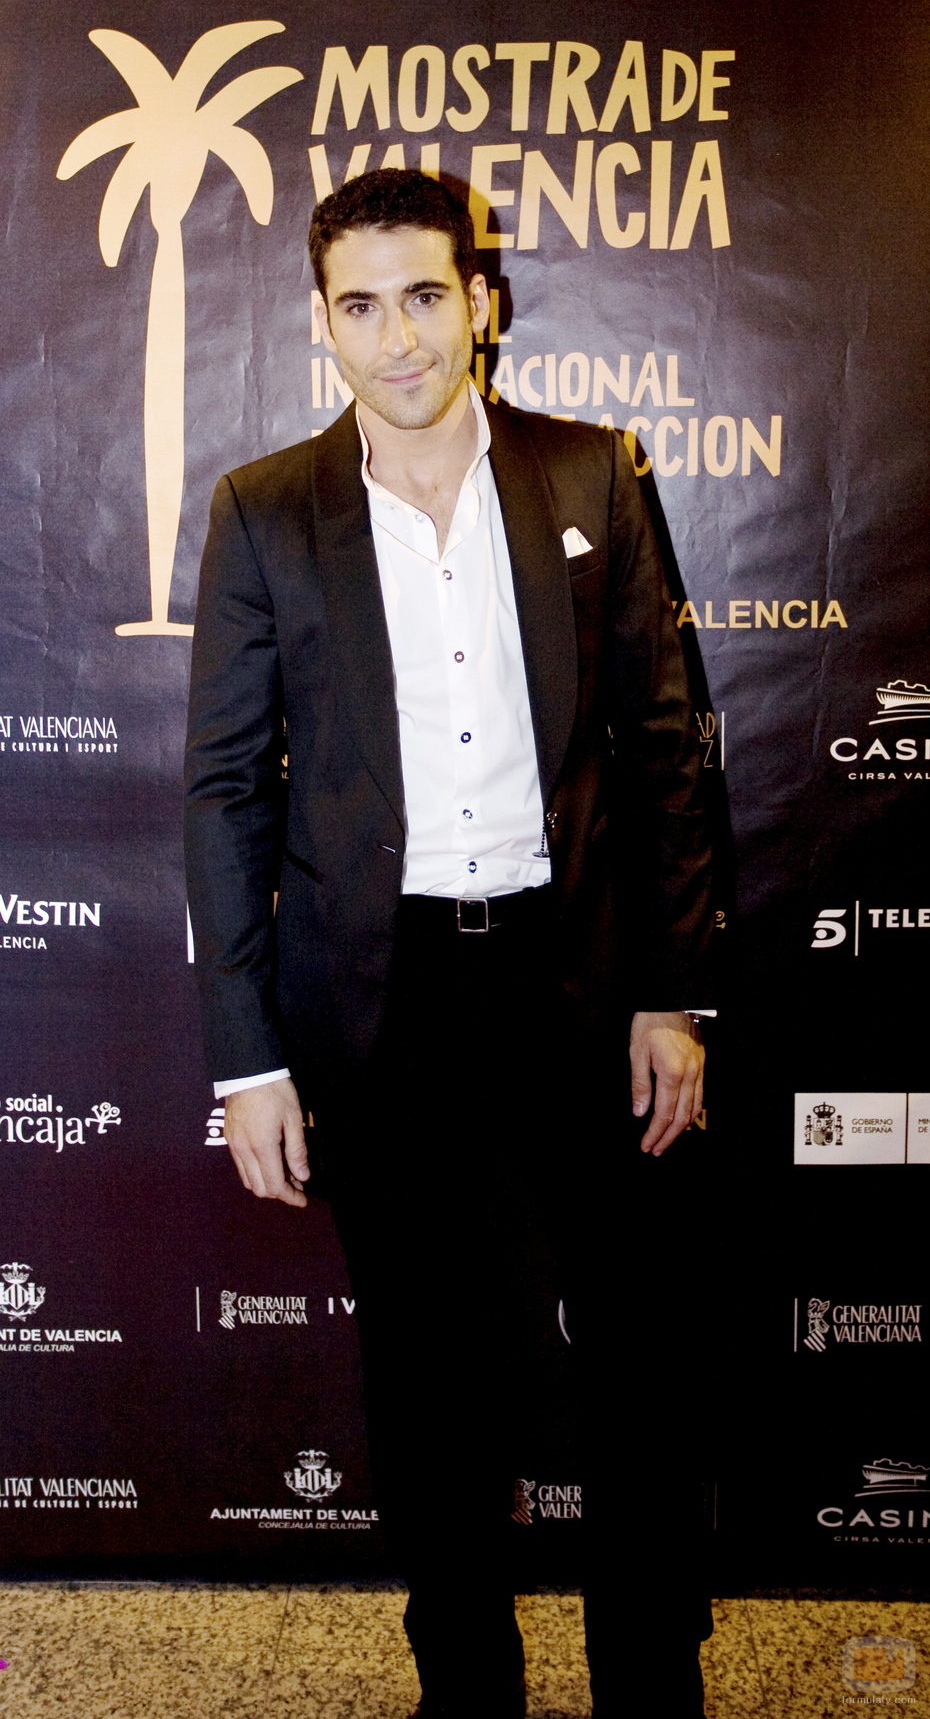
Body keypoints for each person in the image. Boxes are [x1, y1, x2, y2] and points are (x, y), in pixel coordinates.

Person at [185, 167, 715, 1719]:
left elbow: (663, 747)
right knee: (426, 1376)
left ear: (480, 303)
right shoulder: (264, 509)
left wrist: (673, 994)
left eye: (425, 295)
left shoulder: (587, 470)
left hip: (580, 979)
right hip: (380, 997)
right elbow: (225, 788)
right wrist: (247, 1059)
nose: (398, 335)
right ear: (322, 324)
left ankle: (647, 1686)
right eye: (361, 305)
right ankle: (466, 1692)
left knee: (635, 1360)